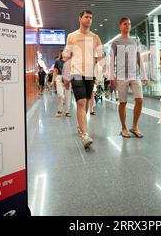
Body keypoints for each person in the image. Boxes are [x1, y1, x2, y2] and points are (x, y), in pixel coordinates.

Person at [63, 10, 104, 149]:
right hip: (76, 73)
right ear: (80, 18)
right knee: (80, 102)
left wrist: (107, 74)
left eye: (91, 17)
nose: (89, 19)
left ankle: (81, 125)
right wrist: (66, 76)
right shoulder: (71, 36)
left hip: (90, 74)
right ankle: (85, 134)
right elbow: (66, 57)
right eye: (86, 17)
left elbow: (101, 57)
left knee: (86, 103)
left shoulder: (96, 37)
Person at [110, 17, 148, 138]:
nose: (128, 26)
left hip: (134, 76)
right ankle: (123, 127)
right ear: (120, 26)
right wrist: (112, 76)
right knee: (123, 102)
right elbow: (111, 60)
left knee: (140, 100)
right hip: (121, 77)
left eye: (129, 24)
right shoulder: (115, 42)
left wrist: (144, 75)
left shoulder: (134, 42)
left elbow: (139, 59)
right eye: (125, 24)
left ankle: (134, 126)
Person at [51, 51, 72, 117]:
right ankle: (60, 110)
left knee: (68, 96)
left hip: (68, 79)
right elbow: (55, 71)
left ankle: (67, 111)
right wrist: (52, 81)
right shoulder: (57, 61)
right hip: (59, 78)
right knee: (60, 95)